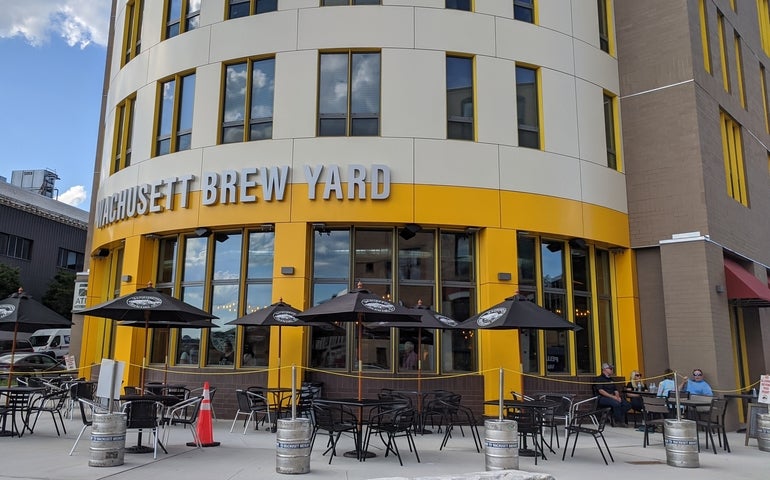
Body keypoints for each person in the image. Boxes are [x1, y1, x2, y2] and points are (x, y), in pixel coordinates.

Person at [594, 362, 632, 426]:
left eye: (612, 368)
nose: (612, 370)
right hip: (602, 398)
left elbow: (615, 390)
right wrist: (613, 397)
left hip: (613, 397)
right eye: (610, 368)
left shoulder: (611, 379)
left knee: (627, 404)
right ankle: (618, 421)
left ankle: (614, 416)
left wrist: (617, 397)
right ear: (604, 369)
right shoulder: (599, 379)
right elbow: (601, 391)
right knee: (616, 404)